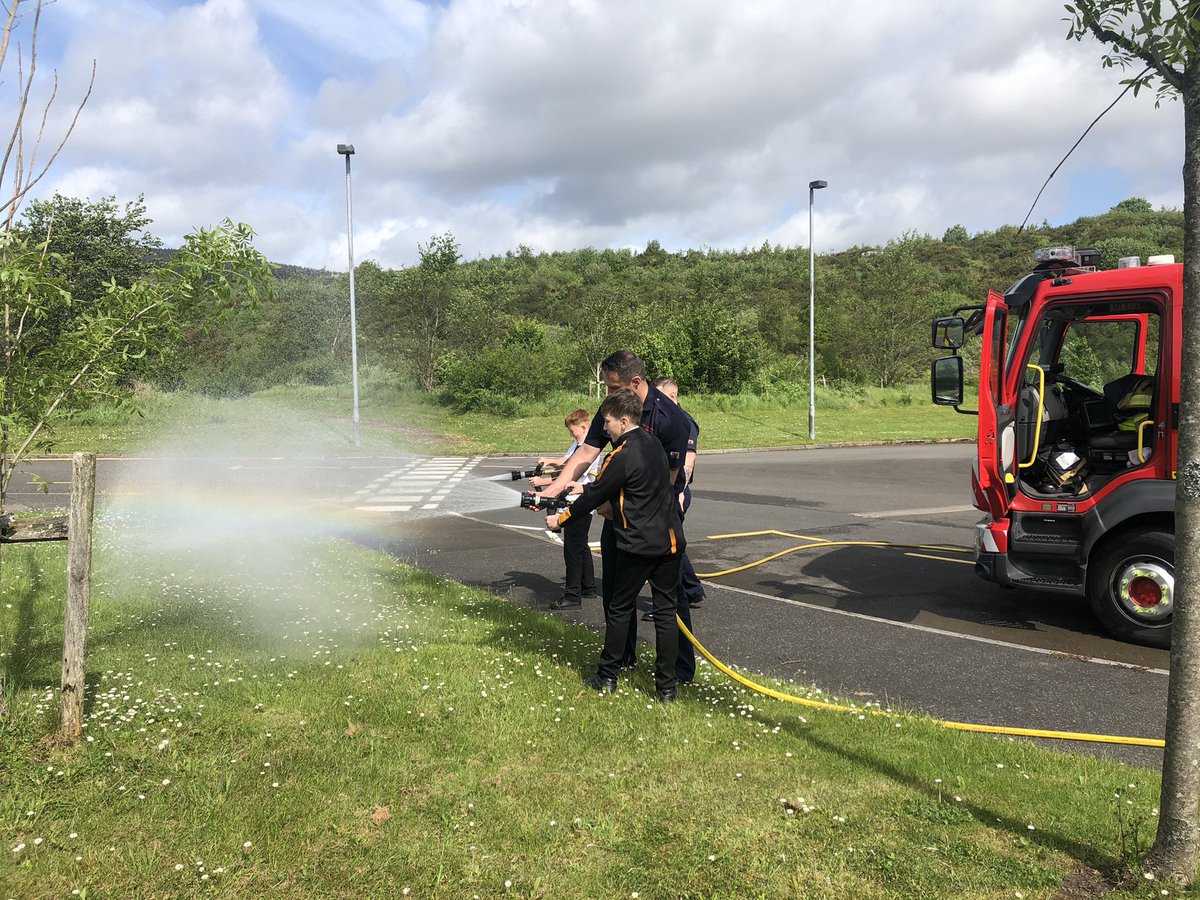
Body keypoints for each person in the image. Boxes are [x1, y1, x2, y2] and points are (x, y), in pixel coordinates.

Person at [536, 350, 698, 684]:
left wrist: (604, 505)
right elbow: (586, 451)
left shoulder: (670, 418)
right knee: (615, 593)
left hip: (660, 520)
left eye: (612, 388)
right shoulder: (615, 409)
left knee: (670, 600)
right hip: (619, 517)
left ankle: (680, 670)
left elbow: (668, 479)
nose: (607, 397)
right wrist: (554, 489)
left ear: (634, 382)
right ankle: (623, 659)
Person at [530, 408, 600, 609]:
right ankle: (588, 588)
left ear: (584, 426)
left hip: (577, 502)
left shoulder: (589, 450)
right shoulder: (579, 444)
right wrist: (549, 461)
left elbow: (571, 474)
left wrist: (543, 483)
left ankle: (572, 596)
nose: (571, 434)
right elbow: (565, 463)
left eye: (573, 430)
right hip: (574, 501)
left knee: (572, 550)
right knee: (581, 546)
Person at [650, 377, 707, 612]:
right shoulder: (665, 418)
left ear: (671, 396)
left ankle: (672, 603)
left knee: (667, 548)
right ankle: (691, 590)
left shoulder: (682, 420)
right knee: (671, 545)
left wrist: (679, 493)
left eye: (659, 396)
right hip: (666, 491)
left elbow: (688, 461)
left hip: (675, 492)